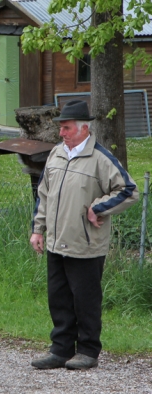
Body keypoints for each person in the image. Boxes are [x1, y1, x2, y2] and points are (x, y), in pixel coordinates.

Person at [30, 100, 138, 370]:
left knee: (85, 300)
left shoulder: (100, 158)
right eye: (61, 128)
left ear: (83, 128)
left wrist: (98, 208)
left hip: (86, 245)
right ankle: (61, 349)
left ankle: (88, 351)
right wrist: (37, 230)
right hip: (56, 242)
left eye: (66, 128)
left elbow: (128, 190)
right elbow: (43, 195)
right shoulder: (56, 154)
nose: (61, 133)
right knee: (59, 297)